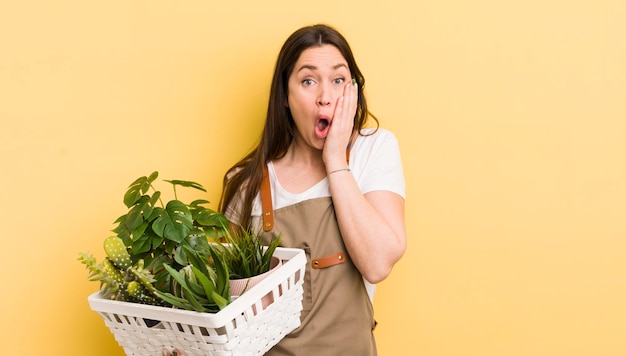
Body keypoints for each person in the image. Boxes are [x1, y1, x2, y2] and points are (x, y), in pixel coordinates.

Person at [219, 24, 406, 355]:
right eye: (308, 80)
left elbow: (378, 264)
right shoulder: (246, 183)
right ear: (285, 97)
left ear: (353, 91)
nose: (325, 96)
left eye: (338, 80)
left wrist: (335, 160)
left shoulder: (373, 149)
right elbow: (226, 306)